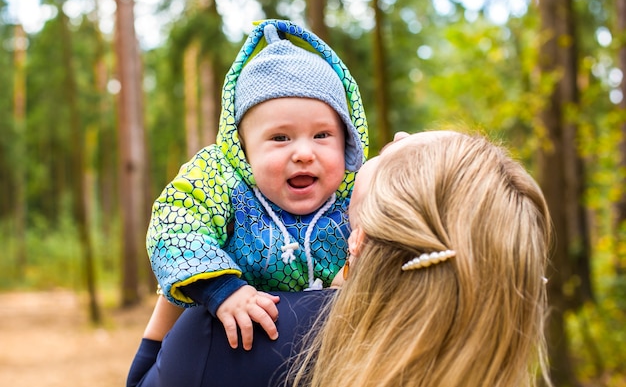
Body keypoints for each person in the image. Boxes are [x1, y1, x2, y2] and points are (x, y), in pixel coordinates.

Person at [127, 130, 552, 387]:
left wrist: (193, 262)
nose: (399, 137)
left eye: (387, 155)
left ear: (359, 239)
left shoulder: (239, 330)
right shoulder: (483, 364)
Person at [144, 18, 369, 354]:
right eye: (280, 138)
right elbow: (175, 224)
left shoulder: (359, 193)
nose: (304, 153)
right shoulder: (223, 184)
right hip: (244, 352)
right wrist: (222, 288)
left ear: (347, 140)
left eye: (322, 135)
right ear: (243, 150)